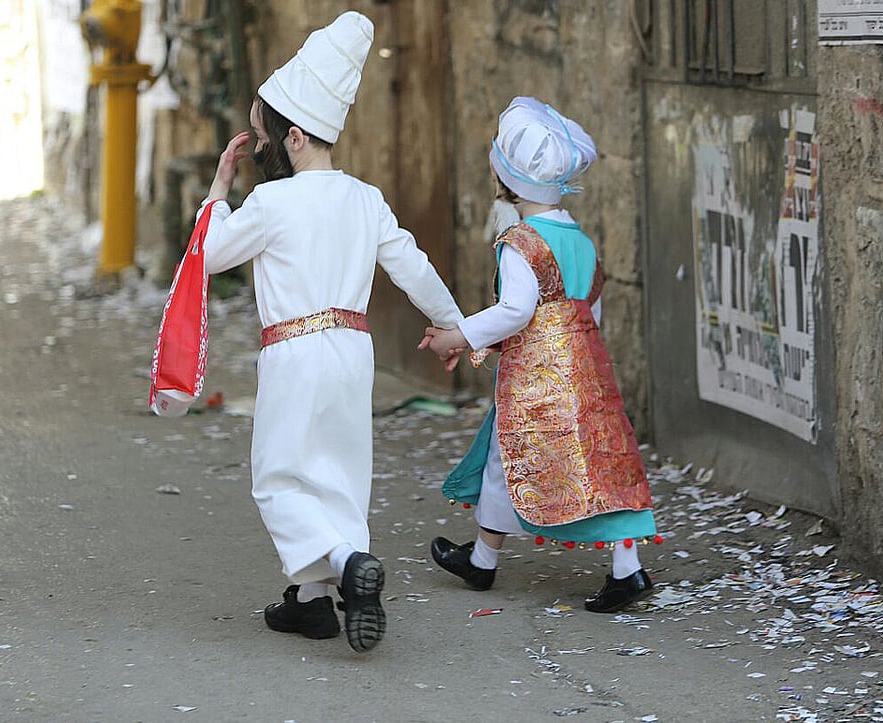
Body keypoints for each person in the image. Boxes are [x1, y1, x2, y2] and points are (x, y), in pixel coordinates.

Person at [195, 11, 463, 653]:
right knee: (339, 472)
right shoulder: (365, 198)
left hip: (292, 351)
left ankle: (344, 569)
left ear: (292, 141)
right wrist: (455, 326)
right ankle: (312, 602)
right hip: (352, 351)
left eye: (262, 139)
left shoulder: (271, 203)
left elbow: (208, 256)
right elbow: (413, 265)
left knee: (280, 476)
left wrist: (219, 191)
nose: (257, 149)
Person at [420, 97, 659, 614]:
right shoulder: (582, 241)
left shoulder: (521, 242)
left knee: (511, 458)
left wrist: (458, 336)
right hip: (585, 371)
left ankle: (489, 560)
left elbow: (514, 310)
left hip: (537, 378)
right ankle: (617, 567)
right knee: (597, 464)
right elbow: (595, 315)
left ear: (507, 181)